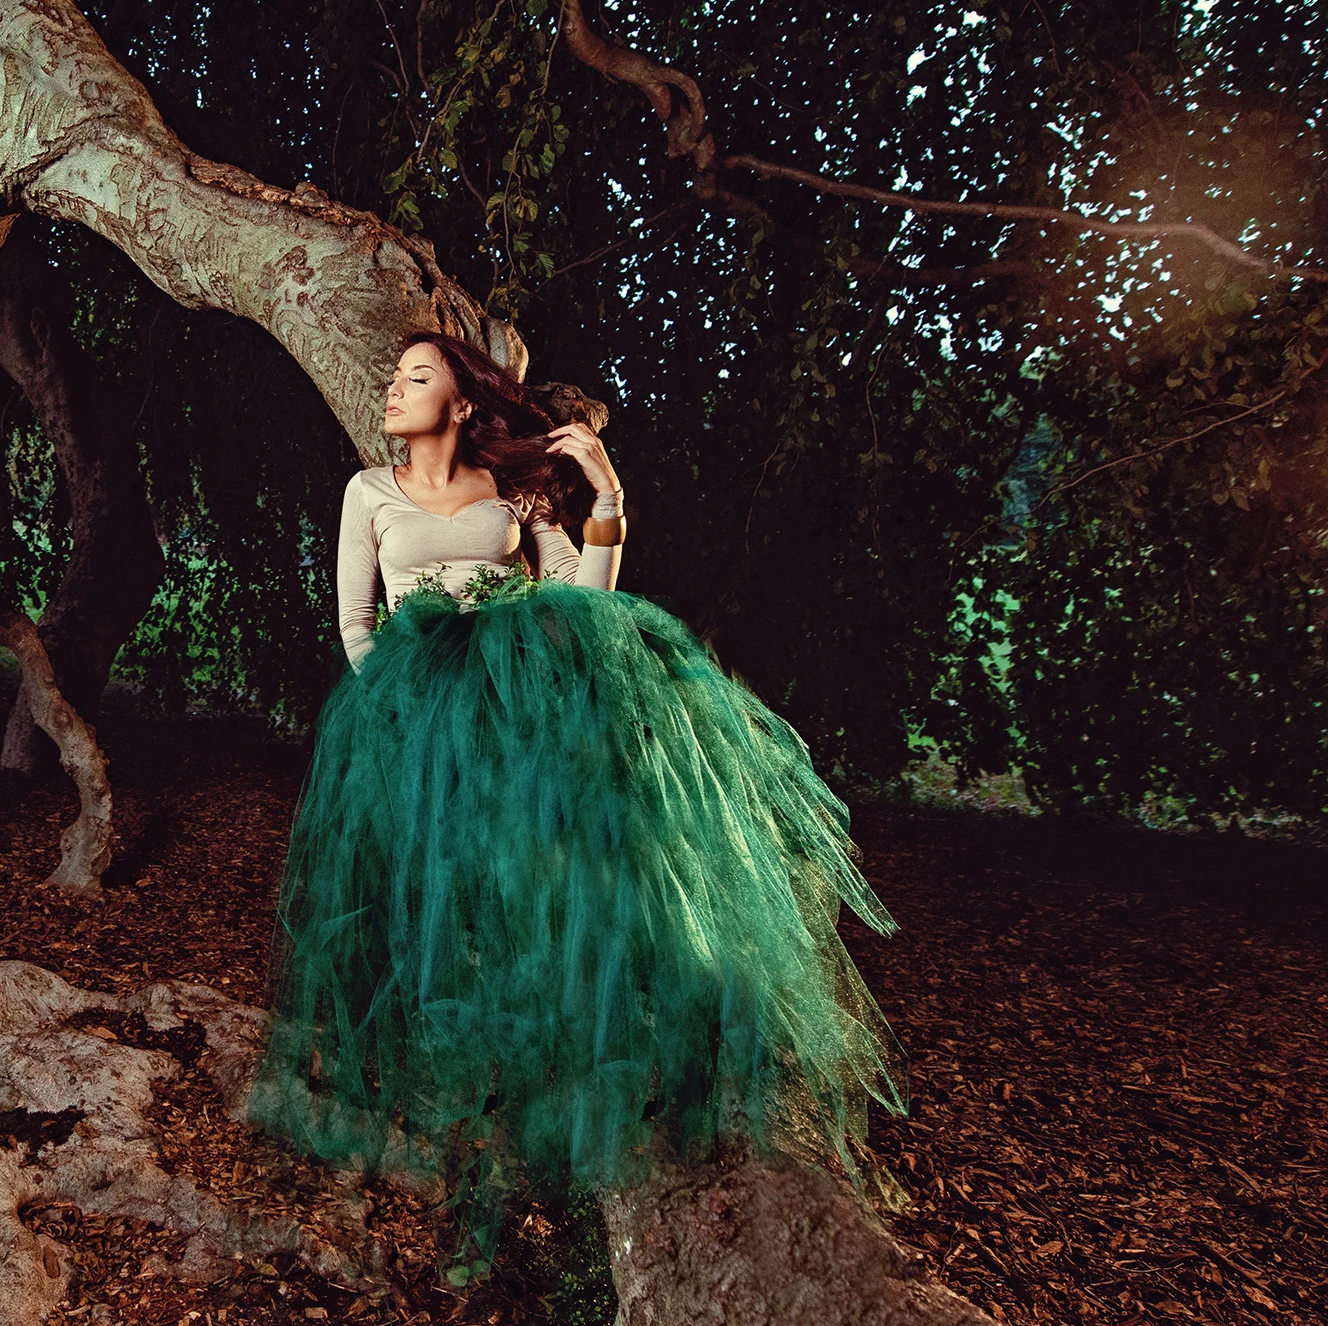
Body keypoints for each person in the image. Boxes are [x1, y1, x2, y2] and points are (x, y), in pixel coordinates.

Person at [246, 331, 904, 1272]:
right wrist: (401, 719)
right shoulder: (369, 492)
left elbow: (583, 603)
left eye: (416, 377)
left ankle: (630, 1071)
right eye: (392, 377)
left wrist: (609, 502)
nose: (393, 391)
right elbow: (356, 623)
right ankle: (482, 1135)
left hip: (521, 713)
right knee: (455, 915)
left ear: (462, 402)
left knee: (573, 882)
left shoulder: (510, 492)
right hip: (419, 723)